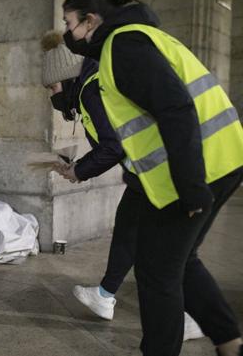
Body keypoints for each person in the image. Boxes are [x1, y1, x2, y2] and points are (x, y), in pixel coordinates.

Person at [61, 0, 243, 356]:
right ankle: (229, 342)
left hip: (200, 168)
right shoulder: (137, 36)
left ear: (90, 20)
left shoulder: (123, 45)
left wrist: (191, 186)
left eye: (70, 23)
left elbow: (176, 109)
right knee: (180, 260)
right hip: (223, 157)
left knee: (157, 270)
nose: (68, 33)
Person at [41, 29, 205, 341]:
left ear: (64, 76)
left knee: (167, 252)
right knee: (129, 226)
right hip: (151, 171)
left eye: (51, 87)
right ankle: (104, 295)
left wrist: (79, 171)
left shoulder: (90, 91)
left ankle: (190, 317)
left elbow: (112, 146)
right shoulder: (89, 85)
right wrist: (80, 165)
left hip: (166, 172)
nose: (51, 95)